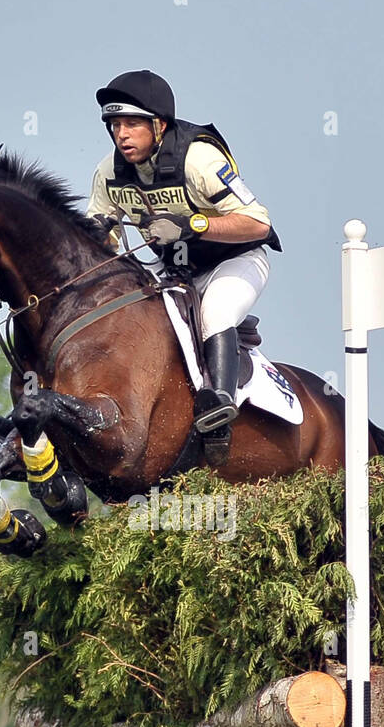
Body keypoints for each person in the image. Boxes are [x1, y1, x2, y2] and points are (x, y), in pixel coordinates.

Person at [87, 69, 281, 460]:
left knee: (215, 311)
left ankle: (219, 408)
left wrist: (194, 223)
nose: (121, 134)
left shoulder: (199, 158)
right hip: (175, 271)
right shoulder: (110, 172)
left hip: (236, 260)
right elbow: (98, 230)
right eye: (115, 125)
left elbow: (259, 222)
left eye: (132, 124)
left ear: (158, 125)